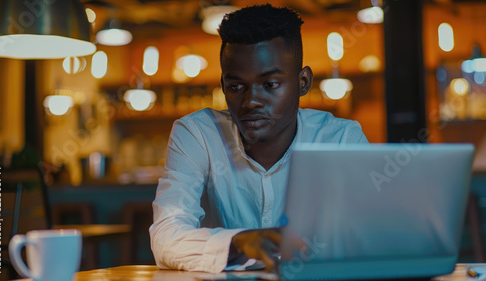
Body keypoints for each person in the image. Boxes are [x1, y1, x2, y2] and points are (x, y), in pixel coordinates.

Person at [149, 4, 368, 273]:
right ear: (223, 86)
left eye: (270, 84)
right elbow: (166, 237)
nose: (250, 101)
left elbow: (367, 233)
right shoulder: (197, 134)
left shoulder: (341, 139)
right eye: (236, 86)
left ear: (303, 82)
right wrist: (240, 242)